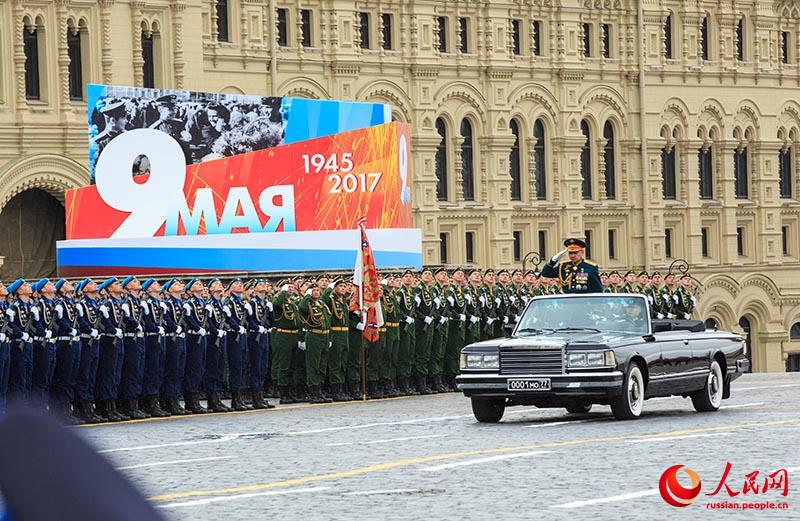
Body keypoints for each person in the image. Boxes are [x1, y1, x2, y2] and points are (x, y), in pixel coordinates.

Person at [139, 279, 169, 418]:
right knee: (152, 371)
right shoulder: (147, 303)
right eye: (154, 284)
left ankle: (156, 402)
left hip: (160, 338)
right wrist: (156, 328)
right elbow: (149, 323)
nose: (158, 285)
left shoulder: (158, 303)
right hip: (152, 338)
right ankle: (150, 403)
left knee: (159, 370)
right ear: (149, 290)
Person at [182, 279, 209, 414]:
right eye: (196, 284)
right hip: (193, 337)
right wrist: (197, 328)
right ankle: (191, 401)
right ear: (190, 290)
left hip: (201, 337)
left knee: (199, 368)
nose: (200, 285)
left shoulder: (203, 302)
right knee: (193, 368)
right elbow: (190, 320)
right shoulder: (189, 303)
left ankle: (195, 399)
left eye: (200, 283)